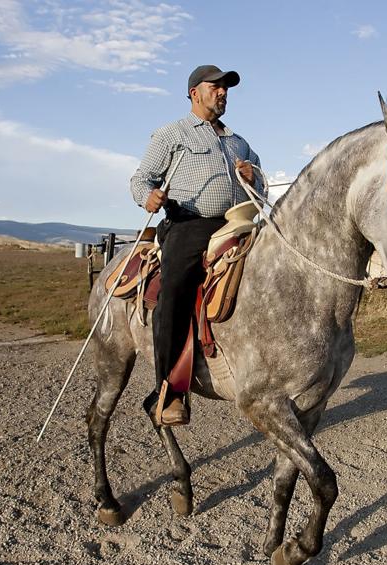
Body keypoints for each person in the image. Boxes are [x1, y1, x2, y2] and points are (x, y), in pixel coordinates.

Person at [130, 64, 263, 426]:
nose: (223, 93)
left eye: (226, 89)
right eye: (215, 87)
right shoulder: (172, 134)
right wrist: (149, 197)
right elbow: (141, 179)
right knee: (175, 288)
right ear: (195, 93)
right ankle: (169, 389)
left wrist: (255, 178)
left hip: (239, 220)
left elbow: (261, 187)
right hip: (189, 223)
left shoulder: (239, 142)